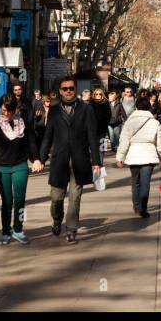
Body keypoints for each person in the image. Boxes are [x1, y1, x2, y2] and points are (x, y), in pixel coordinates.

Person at [40, 76, 102, 244]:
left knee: (75, 197)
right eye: (65, 88)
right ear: (60, 91)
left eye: (71, 88)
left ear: (76, 90)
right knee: (56, 198)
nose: (68, 91)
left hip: (79, 160)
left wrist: (96, 161)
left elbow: (92, 136)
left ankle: (71, 229)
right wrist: (40, 158)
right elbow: (48, 136)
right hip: (59, 160)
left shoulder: (86, 109)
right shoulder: (53, 110)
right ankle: (57, 219)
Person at [0, 94, 43, 245]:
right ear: (0, 108)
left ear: (15, 109)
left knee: (20, 200)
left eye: (10, 110)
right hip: (1, 167)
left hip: (20, 165)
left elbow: (32, 142)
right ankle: (5, 231)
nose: (7, 114)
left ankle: (18, 229)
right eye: (4, 110)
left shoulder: (23, 122)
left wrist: (36, 159)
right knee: (7, 201)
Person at [116, 97, 161, 218]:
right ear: (149, 107)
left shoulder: (130, 121)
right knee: (145, 182)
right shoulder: (154, 122)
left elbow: (124, 140)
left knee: (135, 182)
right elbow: (160, 142)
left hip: (133, 154)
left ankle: (136, 206)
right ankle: (144, 207)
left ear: (136, 107)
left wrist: (120, 157)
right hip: (149, 155)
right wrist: (159, 155)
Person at [91, 87, 112, 163]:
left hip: (102, 130)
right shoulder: (91, 104)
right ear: (94, 95)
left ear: (102, 95)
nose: (98, 95)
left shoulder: (106, 103)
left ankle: (100, 164)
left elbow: (108, 115)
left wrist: (104, 124)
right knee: (93, 148)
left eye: (100, 94)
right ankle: (94, 164)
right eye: (96, 94)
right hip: (92, 129)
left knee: (101, 148)